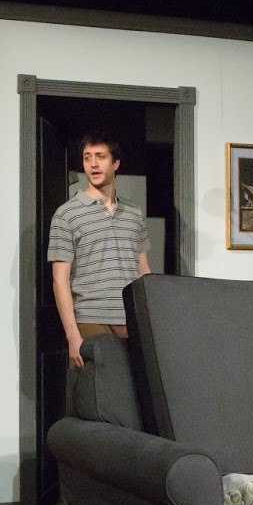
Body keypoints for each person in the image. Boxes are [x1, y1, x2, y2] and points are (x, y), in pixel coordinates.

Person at [48, 132, 151, 368]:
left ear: (115, 163)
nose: (93, 164)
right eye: (87, 157)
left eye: (100, 156)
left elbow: (143, 271)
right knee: (96, 390)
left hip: (132, 321)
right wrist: (72, 336)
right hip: (90, 321)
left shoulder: (134, 214)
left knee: (132, 390)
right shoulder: (66, 214)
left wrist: (149, 321)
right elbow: (60, 280)